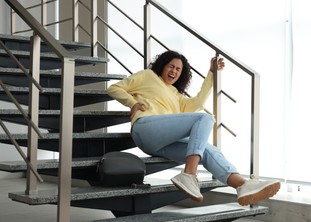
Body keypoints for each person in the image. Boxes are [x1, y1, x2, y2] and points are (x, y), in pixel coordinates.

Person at [107, 50, 280, 205]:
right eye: (171, 66)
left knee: (208, 149)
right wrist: (133, 103)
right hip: (145, 128)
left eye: (178, 69)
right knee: (205, 119)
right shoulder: (147, 76)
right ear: (162, 65)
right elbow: (114, 88)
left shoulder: (176, 95)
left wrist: (212, 73)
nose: (174, 71)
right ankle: (189, 175)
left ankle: (242, 185)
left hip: (162, 143)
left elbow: (198, 102)